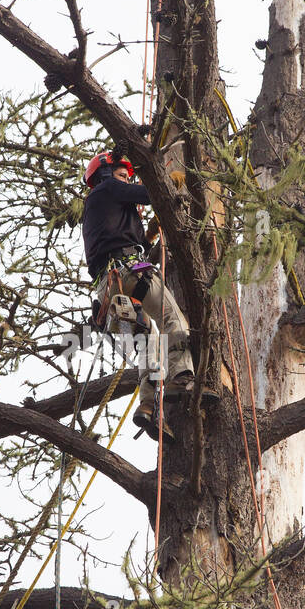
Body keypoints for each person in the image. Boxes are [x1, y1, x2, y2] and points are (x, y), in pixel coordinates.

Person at [81, 148, 195, 439]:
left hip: (110, 289)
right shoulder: (109, 187)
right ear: (106, 174)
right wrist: (173, 182)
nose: (126, 182)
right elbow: (150, 193)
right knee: (174, 320)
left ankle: (148, 405)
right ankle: (182, 377)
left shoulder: (98, 206)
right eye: (122, 175)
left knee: (150, 344)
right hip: (131, 273)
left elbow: (120, 240)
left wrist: (149, 235)